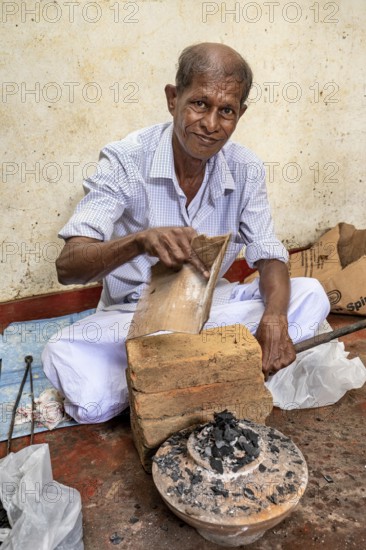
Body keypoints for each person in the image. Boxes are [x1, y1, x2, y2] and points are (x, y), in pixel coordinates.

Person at [42, 43, 330, 424]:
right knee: (64, 354)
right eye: (199, 104)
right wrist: (140, 241)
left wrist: (275, 319)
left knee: (309, 294)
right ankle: (215, 375)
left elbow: (269, 254)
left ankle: (175, 383)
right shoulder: (125, 159)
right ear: (172, 98)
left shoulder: (246, 169)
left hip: (214, 313)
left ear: (240, 114)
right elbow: (69, 266)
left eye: (226, 111)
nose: (211, 124)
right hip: (135, 322)